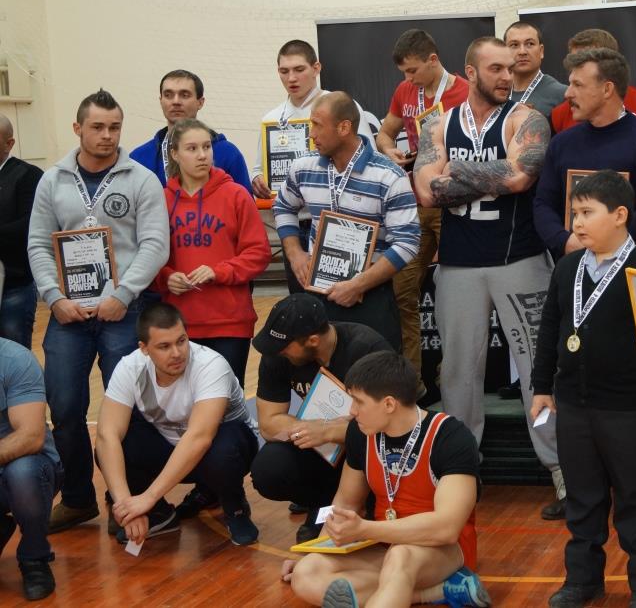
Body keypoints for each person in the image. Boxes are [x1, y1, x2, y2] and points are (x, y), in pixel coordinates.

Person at [530, 171, 636, 608]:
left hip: (630, 407)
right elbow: (550, 329)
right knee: (582, 497)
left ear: (620, 215)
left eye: (587, 213)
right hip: (574, 406)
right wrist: (541, 386)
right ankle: (582, 579)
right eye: (574, 214)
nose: (577, 223)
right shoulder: (568, 268)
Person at [412, 36, 562, 518]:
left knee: (539, 367)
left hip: (520, 258)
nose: (506, 75)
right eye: (495, 68)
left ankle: (560, 467)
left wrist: (455, 170)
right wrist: (490, 175)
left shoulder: (526, 118)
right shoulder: (438, 122)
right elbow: (426, 192)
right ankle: (461, 469)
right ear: (471, 72)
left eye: (510, 68)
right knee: (458, 372)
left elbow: (521, 178)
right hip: (458, 262)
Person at [27, 89, 169, 533]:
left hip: (122, 313)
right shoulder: (52, 180)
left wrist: (123, 295)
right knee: (65, 407)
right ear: (78, 128)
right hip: (67, 315)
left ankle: (124, 501)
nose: (107, 135)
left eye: (114, 127)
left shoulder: (142, 179)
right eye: (98, 127)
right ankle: (76, 499)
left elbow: (155, 245)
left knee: (127, 409)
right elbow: (37, 244)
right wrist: (54, 297)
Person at [285, 350, 490, 608]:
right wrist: (317, 548)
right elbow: (345, 503)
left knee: (400, 557)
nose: (352, 411)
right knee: (307, 572)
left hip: (442, 549)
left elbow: (446, 528)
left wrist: (365, 529)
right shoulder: (360, 434)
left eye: (358, 402)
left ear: (389, 404)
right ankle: (436, 592)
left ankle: (424, 584)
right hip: (385, 542)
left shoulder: (450, 437)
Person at [95, 302, 259, 546]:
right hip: (173, 448)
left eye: (181, 341)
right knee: (112, 445)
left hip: (223, 450)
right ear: (144, 349)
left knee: (223, 446)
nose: (177, 353)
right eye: (164, 346)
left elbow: (199, 437)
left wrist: (148, 497)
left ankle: (235, 507)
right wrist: (126, 505)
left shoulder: (210, 365)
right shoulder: (130, 367)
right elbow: (107, 435)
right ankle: (159, 515)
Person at [274, 91, 419, 352]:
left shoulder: (389, 176)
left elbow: (407, 242)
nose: (311, 134)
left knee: (373, 373)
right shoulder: (303, 167)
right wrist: (295, 254)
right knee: (321, 373)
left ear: (344, 128)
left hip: (370, 295)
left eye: (317, 125)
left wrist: (358, 284)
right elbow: (283, 206)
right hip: (318, 293)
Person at [250, 293, 392, 543]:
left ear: (313, 340)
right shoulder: (278, 353)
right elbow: (269, 424)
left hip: (368, 449)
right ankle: (322, 505)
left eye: (284, 346)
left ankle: (367, 504)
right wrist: (313, 429)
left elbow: (388, 425)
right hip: (322, 447)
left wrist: (329, 431)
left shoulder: (367, 348)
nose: (277, 352)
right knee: (269, 468)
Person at [376, 29, 470, 384]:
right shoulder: (405, 92)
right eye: (404, 72)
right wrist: (390, 150)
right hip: (414, 204)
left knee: (454, 294)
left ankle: (453, 375)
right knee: (402, 291)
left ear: (433, 60)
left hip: (453, 204)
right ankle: (409, 381)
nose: (408, 78)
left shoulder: (465, 92)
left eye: (413, 70)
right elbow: (385, 133)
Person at [251, 40, 375, 294]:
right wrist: (259, 179)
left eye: (299, 69)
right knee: (303, 305)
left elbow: (368, 157)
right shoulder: (272, 119)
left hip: (341, 220)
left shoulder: (342, 106)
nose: (291, 78)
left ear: (316, 68)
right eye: (284, 71)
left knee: (344, 299)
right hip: (295, 224)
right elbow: (258, 168)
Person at [155, 118, 270, 386]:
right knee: (182, 402)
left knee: (227, 401)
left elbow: (258, 252)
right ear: (175, 154)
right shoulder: (161, 199)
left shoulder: (236, 195)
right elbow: (148, 255)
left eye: (206, 147)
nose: (202, 155)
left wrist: (218, 272)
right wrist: (166, 277)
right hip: (179, 324)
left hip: (230, 322)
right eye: (192, 148)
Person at [533, 48, 636, 258]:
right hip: (573, 265)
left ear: (607, 89)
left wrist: (606, 242)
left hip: (633, 265)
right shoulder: (561, 143)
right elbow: (543, 204)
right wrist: (564, 241)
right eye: (570, 84)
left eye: (578, 85)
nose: (568, 93)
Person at [0, 339, 62, 600]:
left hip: (31, 468)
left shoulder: (14, 359)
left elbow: (31, 438)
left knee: (23, 473)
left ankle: (34, 558)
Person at [128, 69, 252, 192]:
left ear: (200, 102)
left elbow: (244, 201)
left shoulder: (228, 153)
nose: (176, 101)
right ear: (161, 101)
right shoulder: (139, 158)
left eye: (184, 95)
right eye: (168, 95)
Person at [549, 29, 636, 139]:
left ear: (610, 61)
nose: (575, 67)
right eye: (573, 61)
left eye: (583, 61)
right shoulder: (558, 116)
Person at [0, 114, 43, 347]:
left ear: (9, 143)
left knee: (14, 352)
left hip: (14, 286)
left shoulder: (29, 175)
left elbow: (29, 226)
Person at [504, 21, 567, 117]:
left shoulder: (562, 94)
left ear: (541, 51)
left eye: (529, 44)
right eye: (514, 45)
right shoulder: (496, 94)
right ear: (504, 52)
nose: (522, 52)